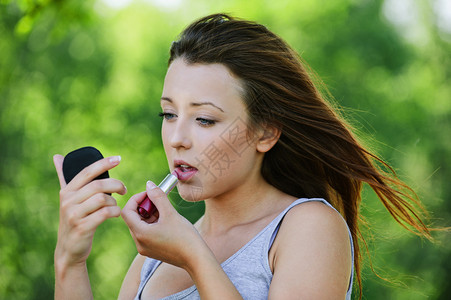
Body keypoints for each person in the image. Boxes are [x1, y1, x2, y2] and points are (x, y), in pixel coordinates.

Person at [53, 14, 432, 299]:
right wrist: (70, 259)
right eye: (169, 114)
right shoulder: (155, 255)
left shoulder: (307, 227)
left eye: (204, 119)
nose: (177, 139)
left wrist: (194, 257)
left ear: (266, 131)